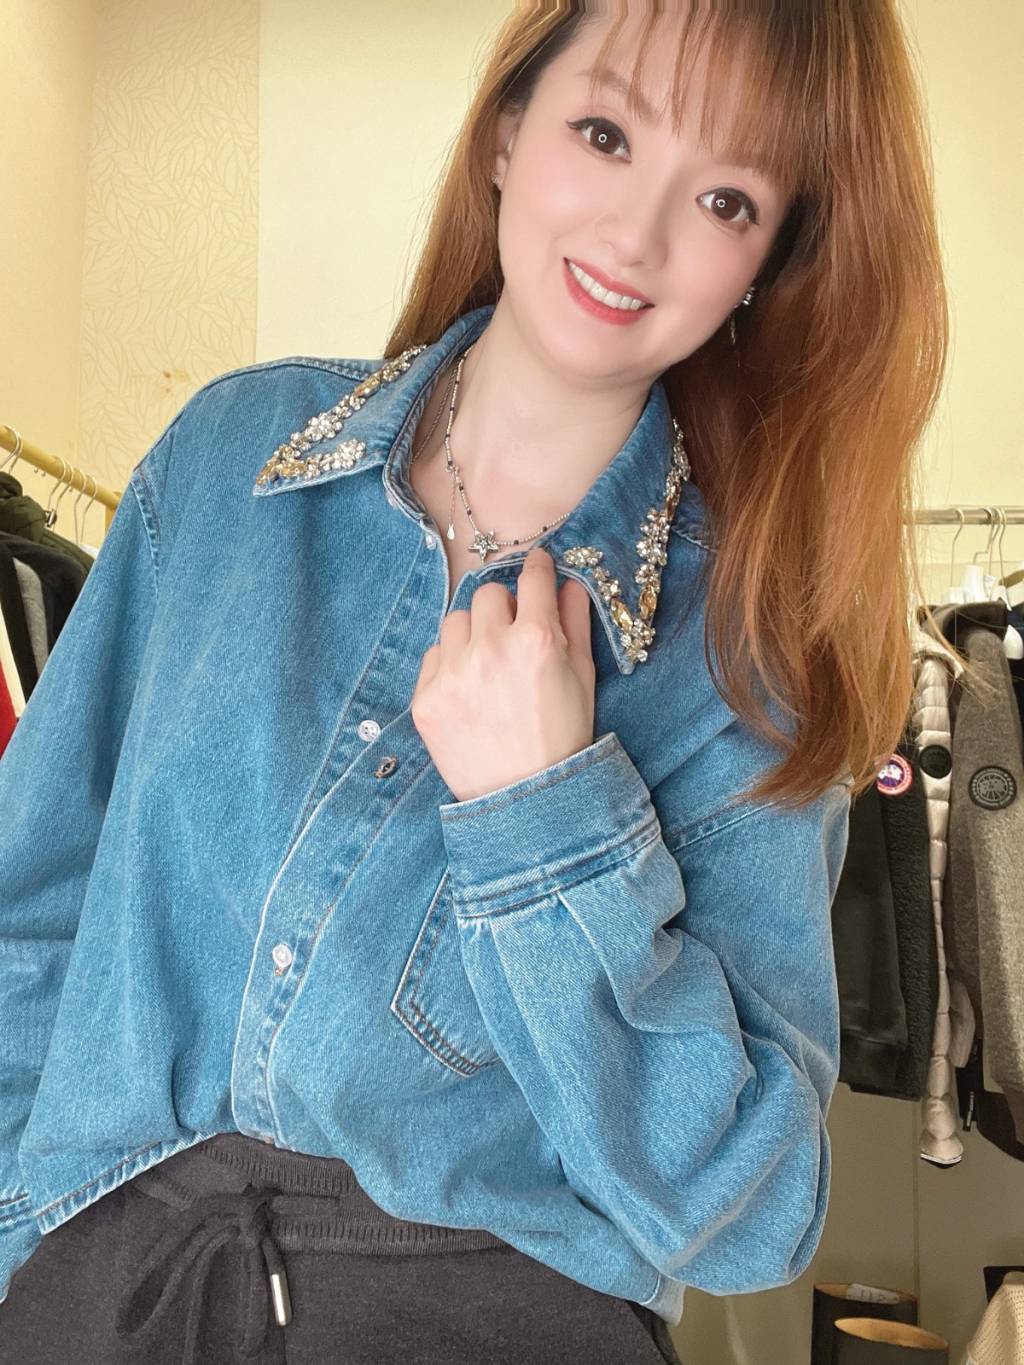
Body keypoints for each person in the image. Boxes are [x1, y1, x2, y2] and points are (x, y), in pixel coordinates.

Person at [0, 1, 952, 1361]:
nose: (635, 234)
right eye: (606, 133)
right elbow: (28, 915)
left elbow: (751, 1216)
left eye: (725, 199)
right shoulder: (227, 462)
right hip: (97, 1302)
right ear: (508, 133)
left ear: (766, 264)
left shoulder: (749, 657)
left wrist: (545, 817)